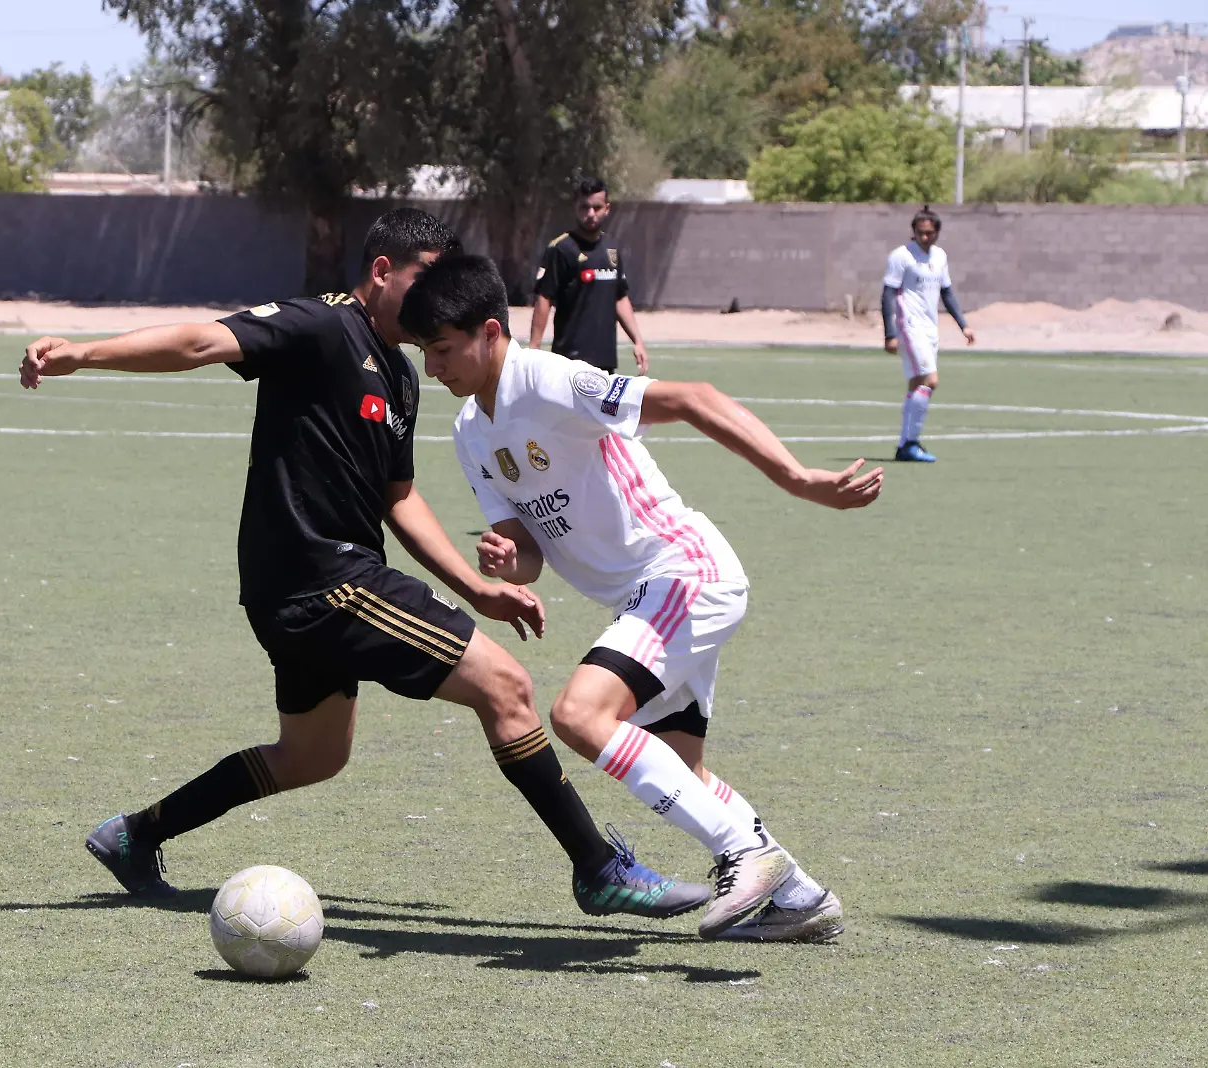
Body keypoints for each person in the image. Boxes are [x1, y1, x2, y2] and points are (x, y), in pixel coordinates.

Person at [20, 209, 708, 920]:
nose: (431, 300)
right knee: (505, 686)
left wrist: (477, 587)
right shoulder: (320, 325)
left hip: (310, 586)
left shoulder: (406, 377)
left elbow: (398, 499)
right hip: (323, 579)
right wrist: (82, 353)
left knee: (313, 755)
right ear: (383, 271)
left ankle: (136, 835)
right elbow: (201, 341)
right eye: (423, 278)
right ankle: (597, 869)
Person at [405, 253, 883, 940]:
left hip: (683, 571)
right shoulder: (469, 434)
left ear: (488, 330)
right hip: (647, 597)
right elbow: (529, 550)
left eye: (443, 349)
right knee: (681, 769)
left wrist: (799, 478)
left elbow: (696, 398)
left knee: (579, 713)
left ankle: (748, 853)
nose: (433, 368)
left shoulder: (549, 378)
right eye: (425, 352)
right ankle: (801, 899)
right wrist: (511, 559)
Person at [883, 205, 975, 464]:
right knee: (930, 380)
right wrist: (890, 333)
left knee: (916, 385)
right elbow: (888, 293)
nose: (925, 237)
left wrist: (963, 325)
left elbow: (947, 292)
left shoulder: (940, 257)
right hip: (910, 326)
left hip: (930, 328)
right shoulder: (901, 256)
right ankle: (911, 442)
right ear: (913, 232)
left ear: (937, 233)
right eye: (920, 233)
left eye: (930, 233)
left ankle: (904, 446)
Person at [529, 177, 647, 374]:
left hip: (605, 359)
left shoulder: (613, 248)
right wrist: (534, 348)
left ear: (607, 209)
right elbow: (544, 298)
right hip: (570, 359)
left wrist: (638, 341)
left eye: (597, 207)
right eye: (584, 207)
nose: (590, 213)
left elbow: (619, 297)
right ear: (575, 207)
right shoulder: (561, 248)